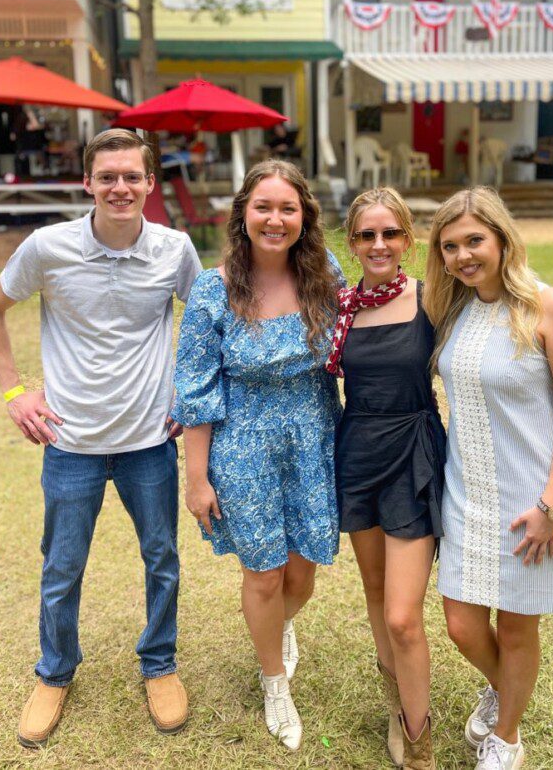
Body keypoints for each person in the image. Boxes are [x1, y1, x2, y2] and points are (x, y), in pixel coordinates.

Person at [0, 129, 202, 748]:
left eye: (132, 176)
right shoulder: (48, 247)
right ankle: (54, 672)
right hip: (71, 443)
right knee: (62, 566)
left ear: (150, 184)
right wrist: (14, 393)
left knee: (161, 559)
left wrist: (191, 392)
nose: (121, 187)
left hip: (149, 440)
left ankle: (159, 663)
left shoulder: (175, 249)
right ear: (88, 183)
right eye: (108, 177)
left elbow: (208, 322)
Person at [172, 159, 342, 752]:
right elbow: (195, 391)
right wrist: (197, 480)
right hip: (243, 447)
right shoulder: (213, 291)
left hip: (314, 438)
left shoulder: (328, 276)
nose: (275, 219)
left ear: (304, 217)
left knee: (302, 573)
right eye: (263, 207)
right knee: (264, 574)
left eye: (287, 208)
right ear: (243, 213)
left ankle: (282, 627)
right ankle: (274, 683)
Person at [423, 187, 553, 770]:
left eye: (475, 240)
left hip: (531, 496)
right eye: (450, 246)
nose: (464, 255)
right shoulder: (454, 308)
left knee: (518, 629)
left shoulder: (550, 307)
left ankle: (507, 738)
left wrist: (551, 506)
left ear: (501, 239)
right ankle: (505, 687)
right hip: (466, 493)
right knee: (462, 625)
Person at [327, 187, 446, 770]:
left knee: (404, 613)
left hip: (413, 456)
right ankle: (399, 699)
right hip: (356, 454)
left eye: (390, 233)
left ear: (408, 239)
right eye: (367, 235)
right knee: (375, 594)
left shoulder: (433, 299)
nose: (379, 244)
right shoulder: (340, 307)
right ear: (351, 243)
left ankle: (419, 741)